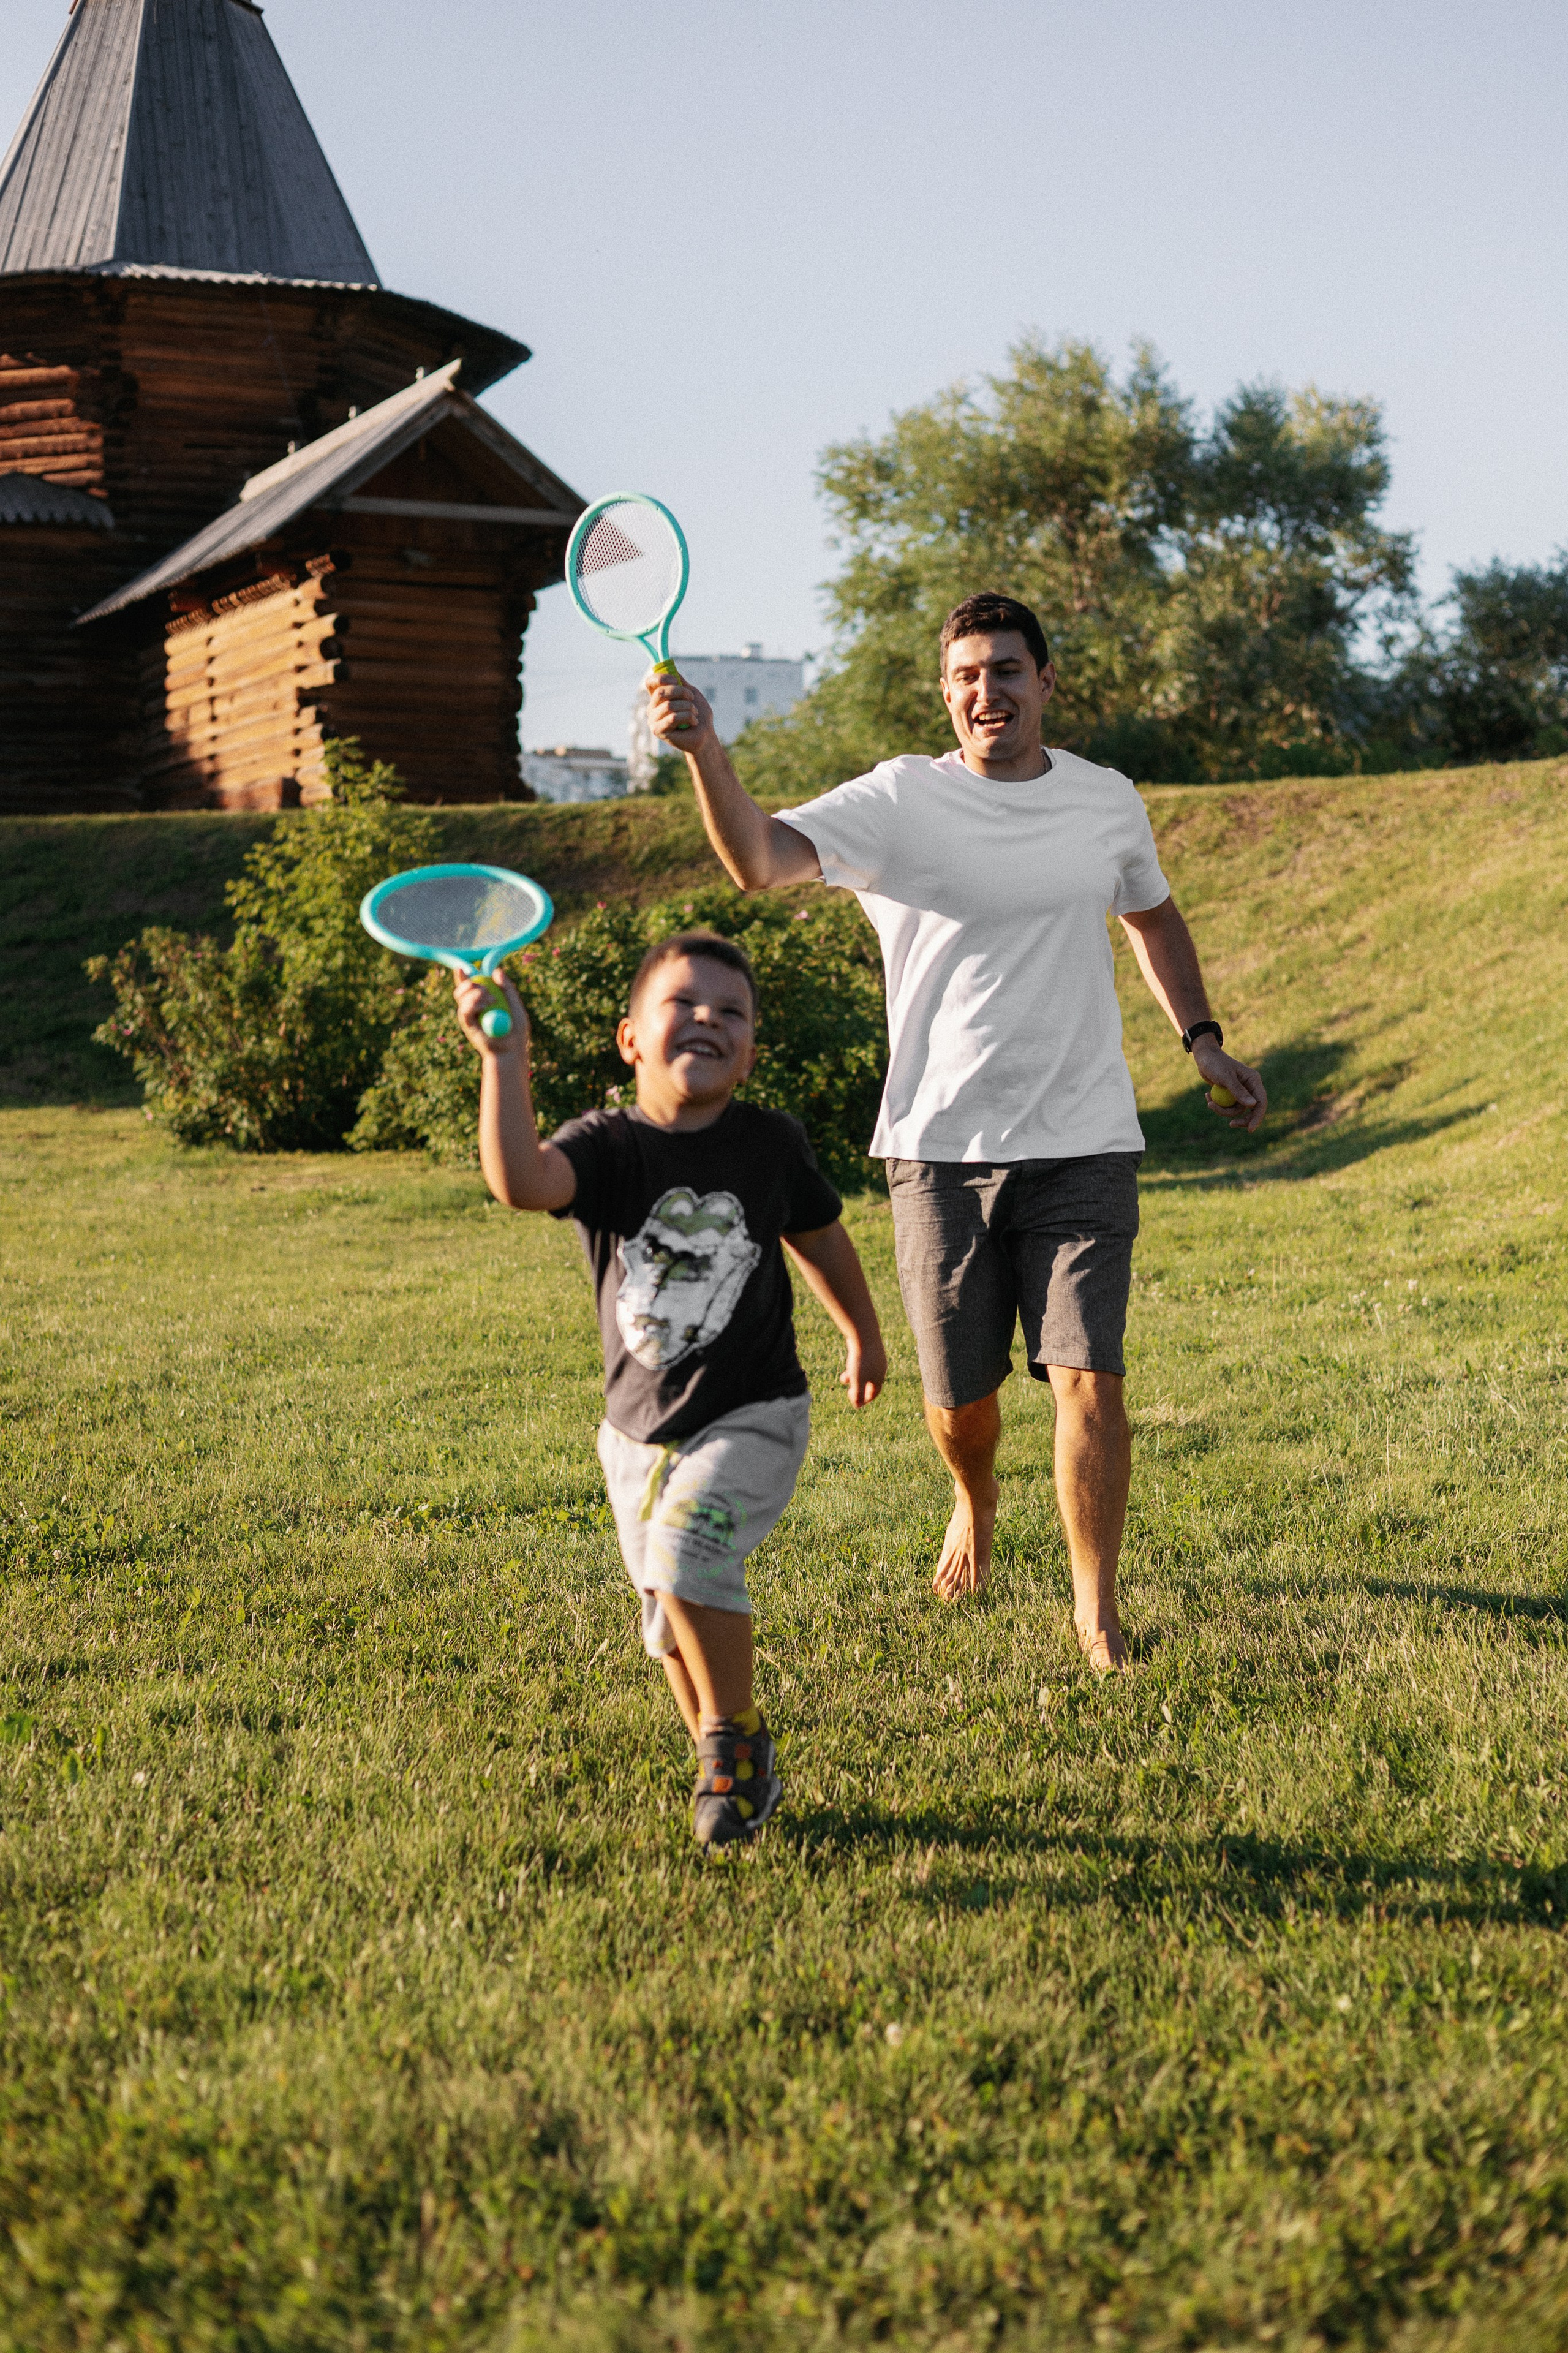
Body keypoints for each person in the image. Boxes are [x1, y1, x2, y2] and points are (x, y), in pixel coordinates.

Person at [645, 592, 1266, 1671]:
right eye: (969, 675)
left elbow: (1151, 912)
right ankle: (974, 1501)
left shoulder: (1106, 801)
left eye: (1009, 670)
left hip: (1084, 1139)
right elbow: (756, 859)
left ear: (1046, 682)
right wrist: (706, 751)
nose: (990, 691)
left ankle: (1097, 1612)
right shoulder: (899, 802)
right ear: (947, 692)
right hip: (936, 1147)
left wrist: (1201, 1038)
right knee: (961, 1405)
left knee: (1089, 1377)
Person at [451, 929, 886, 1845]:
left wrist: (862, 1329)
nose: (708, 1020)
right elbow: (523, 1182)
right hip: (636, 1435)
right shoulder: (607, 1147)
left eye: (731, 1011)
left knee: (689, 1558)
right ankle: (734, 1769)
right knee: (664, 1619)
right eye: (682, 1004)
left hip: (754, 1412)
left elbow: (819, 1234)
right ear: (630, 1038)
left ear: (752, 1049)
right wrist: (507, 1057)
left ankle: (731, 1742)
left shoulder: (769, 1143)